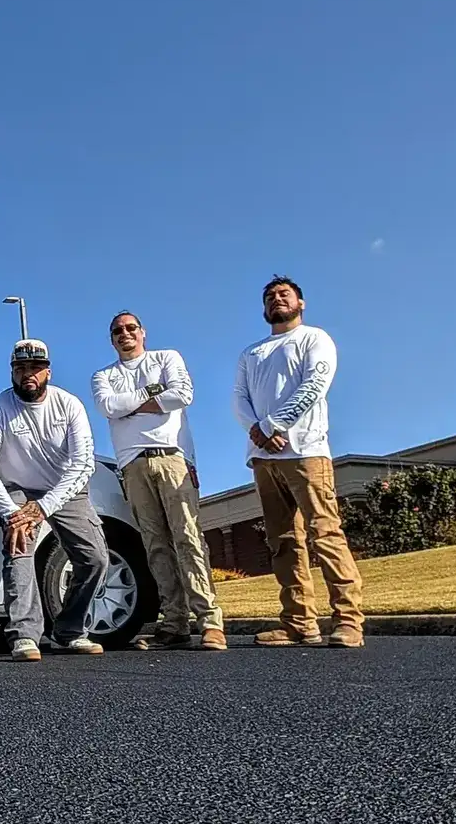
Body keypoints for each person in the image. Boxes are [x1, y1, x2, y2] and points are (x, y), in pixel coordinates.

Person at [233, 276, 365, 648]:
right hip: (263, 457)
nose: (277, 299)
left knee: (325, 534)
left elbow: (314, 385)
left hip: (306, 451)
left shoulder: (314, 339)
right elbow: (239, 400)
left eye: (284, 294)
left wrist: (275, 423)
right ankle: (298, 622)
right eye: (270, 297)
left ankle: (348, 620)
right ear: (263, 308)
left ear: (300, 303)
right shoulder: (252, 353)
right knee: (283, 541)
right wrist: (257, 431)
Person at [92, 312, 226, 651]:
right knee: (155, 544)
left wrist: (133, 405)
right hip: (132, 465)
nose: (125, 334)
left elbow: (182, 394)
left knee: (188, 538)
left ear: (142, 333)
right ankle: (175, 621)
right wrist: (152, 396)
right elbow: (109, 406)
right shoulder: (104, 375)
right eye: (118, 331)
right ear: (111, 339)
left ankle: (209, 620)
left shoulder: (166, 358)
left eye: (131, 328)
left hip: (171, 457)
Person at [0, 339, 108, 660]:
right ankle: (24, 635)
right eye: (20, 369)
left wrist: (43, 507)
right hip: (16, 489)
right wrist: (12, 514)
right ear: (12, 373)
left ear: (48, 371)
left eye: (34, 368)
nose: (27, 375)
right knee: (19, 545)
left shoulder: (69, 404)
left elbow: (83, 464)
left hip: (63, 489)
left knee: (95, 559)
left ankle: (69, 630)